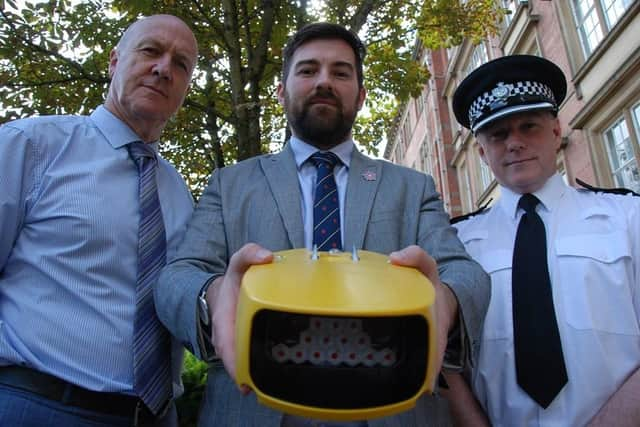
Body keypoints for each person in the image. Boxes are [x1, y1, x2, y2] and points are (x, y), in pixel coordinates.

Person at [155, 22, 490, 427]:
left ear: (362, 96)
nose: (324, 81)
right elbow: (177, 276)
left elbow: (466, 272)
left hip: (392, 404)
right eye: (308, 70)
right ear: (281, 91)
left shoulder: (412, 188)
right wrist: (216, 293)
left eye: (341, 72)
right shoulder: (229, 185)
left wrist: (446, 300)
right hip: (254, 409)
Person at [0, 14, 198, 427]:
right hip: (38, 405)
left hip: (158, 417)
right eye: (150, 51)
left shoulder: (179, 193)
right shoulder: (31, 145)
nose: (164, 68)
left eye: (181, 64)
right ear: (113, 61)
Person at [447, 54, 640, 426]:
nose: (514, 143)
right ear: (483, 152)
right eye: (498, 134)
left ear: (555, 132)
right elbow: (447, 365)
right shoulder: (458, 244)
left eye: (529, 126)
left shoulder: (628, 218)